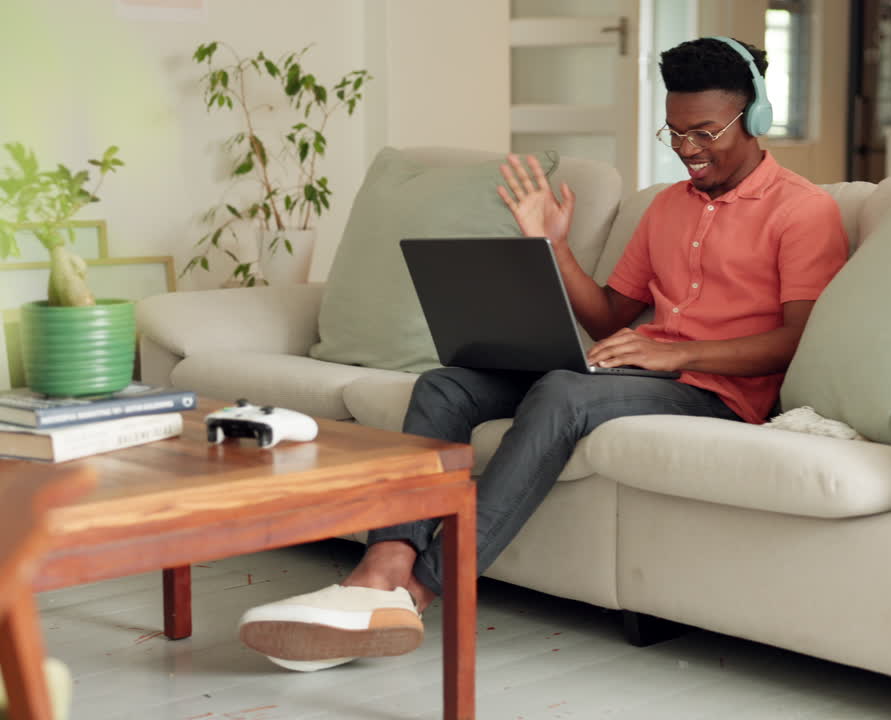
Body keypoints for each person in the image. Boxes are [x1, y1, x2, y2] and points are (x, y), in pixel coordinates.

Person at [236, 36, 849, 672]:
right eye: (675, 133)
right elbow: (608, 314)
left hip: (717, 392)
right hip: (633, 369)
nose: (688, 149)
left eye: (704, 132)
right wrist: (552, 245)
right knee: (446, 385)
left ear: (754, 118)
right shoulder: (667, 207)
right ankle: (384, 565)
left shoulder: (805, 211)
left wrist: (677, 355)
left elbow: (795, 339)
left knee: (562, 392)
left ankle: (418, 590)